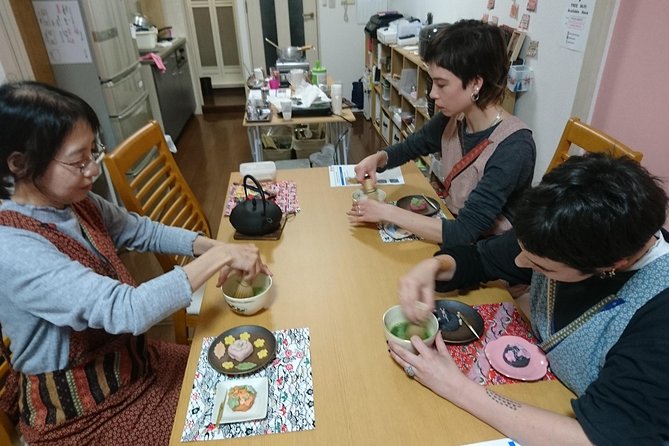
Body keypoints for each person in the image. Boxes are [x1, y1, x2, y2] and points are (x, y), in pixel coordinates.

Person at [0, 81, 271, 445]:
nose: (92, 171)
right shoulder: (14, 248)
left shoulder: (73, 202)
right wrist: (221, 256)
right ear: (20, 164)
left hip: (136, 362)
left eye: (93, 153)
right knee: (233, 420)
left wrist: (212, 246)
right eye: (78, 161)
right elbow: (126, 310)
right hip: (85, 412)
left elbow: (142, 231)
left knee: (245, 377)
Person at [389, 153, 669, 445]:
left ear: (612, 266)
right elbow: (482, 258)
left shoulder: (659, 321)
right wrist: (433, 267)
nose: (520, 263)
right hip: (544, 388)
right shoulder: (558, 228)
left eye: (542, 268)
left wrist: (456, 385)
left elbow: (599, 438)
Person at [349, 19, 535, 248]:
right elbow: (412, 146)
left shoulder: (514, 147)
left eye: (442, 84)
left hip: (488, 255)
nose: (433, 94)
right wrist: (378, 159)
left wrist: (387, 212)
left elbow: (465, 233)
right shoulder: (455, 117)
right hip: (453, 230)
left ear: (476, 83)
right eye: (432, 83)